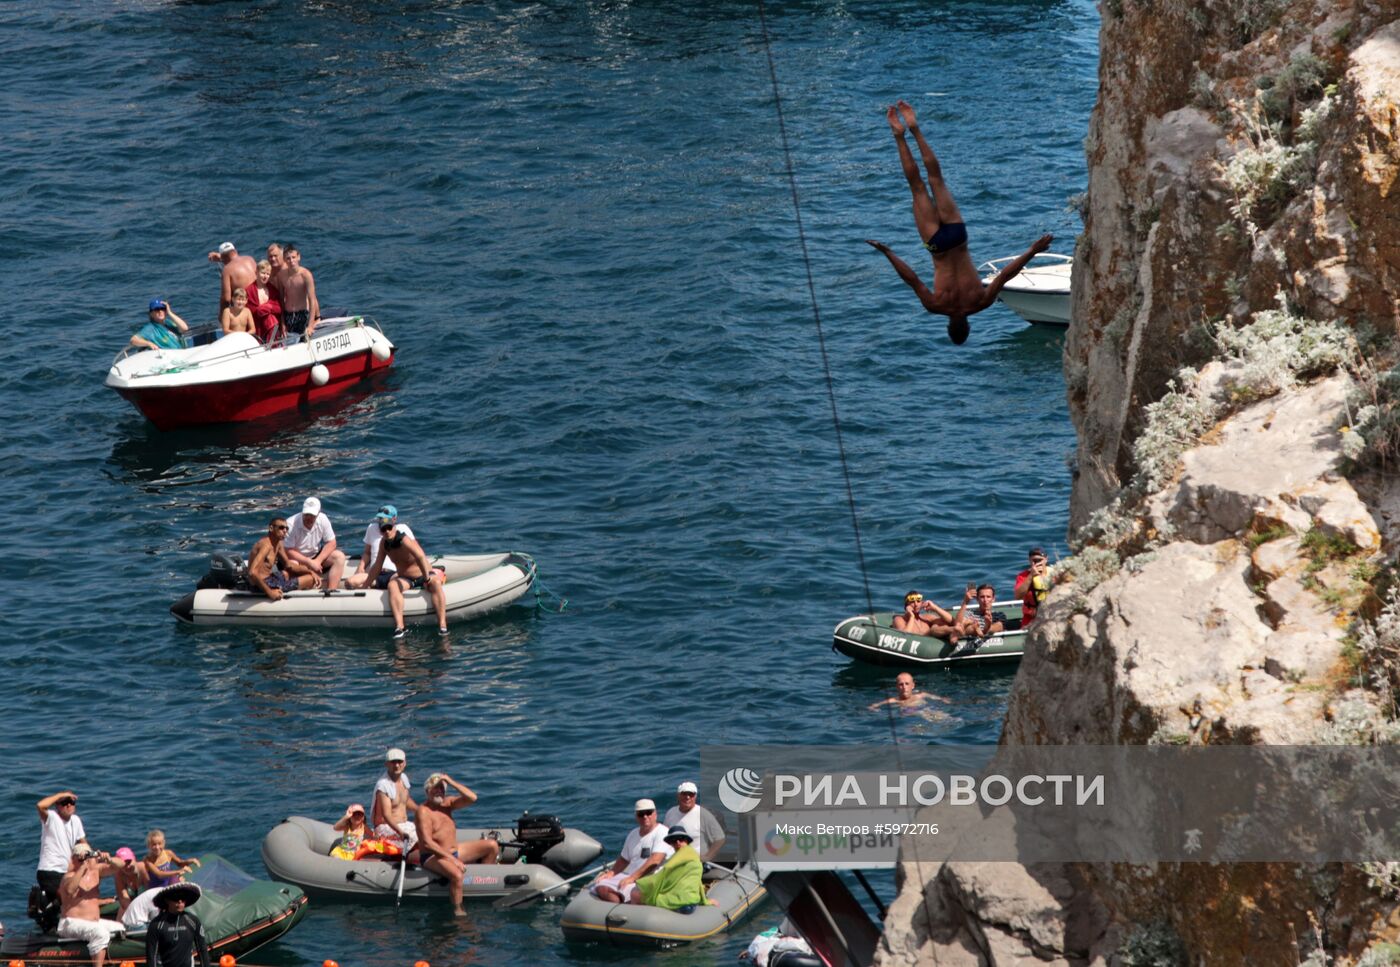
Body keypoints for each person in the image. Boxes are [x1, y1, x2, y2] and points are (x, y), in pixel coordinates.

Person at [866, 100, 1053, 345]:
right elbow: (910, 278)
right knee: (918, 188)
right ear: (949, 327)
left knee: (936, 180)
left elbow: (1006, 275)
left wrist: (1032, 251)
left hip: (958, 238)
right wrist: (887, 251)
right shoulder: (935, 306)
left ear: (967, 326)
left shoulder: (981, 303)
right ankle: (900, 135)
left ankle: (915, 129)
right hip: (937, 247)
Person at [415, 773, 501, 917]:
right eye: (435, 789)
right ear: (427, 792)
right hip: (432, 856)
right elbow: (427, 843)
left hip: (453, 852)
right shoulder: (423, 811)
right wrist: (453, 860)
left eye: (441, 789)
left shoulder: (448, 804)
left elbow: (472, 798)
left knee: (492, 846)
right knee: (457, 875)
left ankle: (483, 884)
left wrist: (450, 781)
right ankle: (458, 911)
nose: (438, 791)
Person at [362, 516, 448, 638]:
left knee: (435, 584)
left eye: (389, 528)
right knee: (392, 585)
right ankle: (400, 627)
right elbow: (377, 566)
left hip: (423, 574)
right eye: (383, 529)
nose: (386, 531)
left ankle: (443, 626)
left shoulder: (404, 540)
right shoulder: (384, 544)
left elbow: (420, 557)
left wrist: (427, 577)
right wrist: (365, 586)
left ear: (394, 527)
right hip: (406, 578)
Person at [589, 798, 673, 904]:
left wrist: (632, 878)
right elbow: (624, 859)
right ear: (636, 817)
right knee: (601, 886)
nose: (645, 816)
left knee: (629, 892)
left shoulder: (663, 832)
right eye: (641, 814)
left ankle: (622, 906)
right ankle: (620, 903)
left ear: (655, 814)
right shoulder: (633, 834)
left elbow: (655, 861)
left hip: (650, 878)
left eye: (648, 813)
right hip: (630, 875)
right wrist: (611, 873)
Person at [56, 844, 125, 967]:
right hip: (70, 923)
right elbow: (70, 890)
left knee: (120, 928)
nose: (87, 861)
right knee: (101, 933)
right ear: (74, 859)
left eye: (88, 857)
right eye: (82, 858)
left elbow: (120, 866)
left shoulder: (96, 872)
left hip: (93, 922)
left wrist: (109, 859)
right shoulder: (69, 877)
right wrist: (82, 867)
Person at [635, 828, 714, 909]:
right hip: (692, 900)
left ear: (686, 840)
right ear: (670, 843)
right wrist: (705, 900)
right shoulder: (693, 854)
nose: (678, 842)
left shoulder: (684, 853)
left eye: (681, 839)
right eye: (674, 840)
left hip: (679, 901)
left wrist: (640, 883)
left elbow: (666, 869)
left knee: (636, 894)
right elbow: (697, 881)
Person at [284, 497, 347, 591]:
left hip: (315, 556)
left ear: (318, 513)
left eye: (312, 515)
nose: (309, 518)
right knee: (293, 564)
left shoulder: (323, 519)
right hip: (297, 559)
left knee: (339, 556)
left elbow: (332, 542)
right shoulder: (290, 524)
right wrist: (309, 562)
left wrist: (318, 561)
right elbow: (288, 550)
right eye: (306, 514)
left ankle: (331, 590)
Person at [346, 505, 415, 590]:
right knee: (350, 582)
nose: (381, 521)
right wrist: (361, 567)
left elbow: (415, 553)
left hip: (394, 573)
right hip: (374, 574)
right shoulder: (372, 528)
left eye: (385, 518)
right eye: (380, 518)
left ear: (394, 519)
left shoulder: (402, 529)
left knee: (396, 583)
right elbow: (367, 552)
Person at [143, 882, 210, 967]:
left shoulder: (193, 921)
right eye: (176, 897)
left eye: (183, 898)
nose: (180, 901)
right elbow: (152, 955)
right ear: (167, 900)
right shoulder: (156, 924)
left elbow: (202, 949)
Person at [248, 517, 316, 600]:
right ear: (271, 528)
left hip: (270, 579)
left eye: (286, 528)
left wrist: (309, 571)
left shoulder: (278, 543)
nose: (285, 531)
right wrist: (271, 593)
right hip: (260, 585)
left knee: (288, 573)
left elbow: (288, 565)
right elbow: (252, 572)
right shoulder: (265, 545)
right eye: (281, 528)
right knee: (310, 579)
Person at [36, 791, 88, 897]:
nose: (68, 805)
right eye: (64, 803)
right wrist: (60, 795)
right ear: (57, 806)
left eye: (71, 802)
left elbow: (84, 843)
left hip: (65, 871)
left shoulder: (76, 820)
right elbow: (40, 805)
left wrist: (95, 856)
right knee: (69, 899)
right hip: (49, 870)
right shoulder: (52, 817)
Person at [662, 782, 726, 862]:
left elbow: (720, 839)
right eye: (684, 794)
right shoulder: (671, 813)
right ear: (678, 795)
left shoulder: (703, 814)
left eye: (691, 794)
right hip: (674, 859)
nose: (687, 797)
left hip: (696, 862)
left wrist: (707, 857)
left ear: (695, 796)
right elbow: (665, 836)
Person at [371, 747, 419, 852]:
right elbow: (386, 815)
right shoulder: (383, 785)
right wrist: (400, 832)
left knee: (430, 832)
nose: (397, 765)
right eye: (393, 762)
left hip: (404, 824)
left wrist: (420, 810)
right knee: (421, 839)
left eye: (399, 761)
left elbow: (405, 800)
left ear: (405, 763)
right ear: (386, 764)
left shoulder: (404, 778)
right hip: (385, 828)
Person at [279, 243, 320, 339]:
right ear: (285, 260)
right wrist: (283, 323)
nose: (291, 260)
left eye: (293, 257)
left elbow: (312, 300)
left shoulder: (306, 275)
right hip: (288, 315)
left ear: (299, 257)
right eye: (288, 258)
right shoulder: (281, 276)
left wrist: (310, 326)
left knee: (304, 340)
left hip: (303, 315)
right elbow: (281, 300)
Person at [208, 241, 257, 318]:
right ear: (235, 251)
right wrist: (222, 258)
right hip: (261, 301)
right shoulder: (250, 259)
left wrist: (221, 315)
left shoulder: (227, 270)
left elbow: (226, 299)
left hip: (249, 310)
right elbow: (233, 259)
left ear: (223, 257)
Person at [891, 590, 959, 637]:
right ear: (906, 605)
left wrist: (935, 608)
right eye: (912, 602)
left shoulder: (926, 618)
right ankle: (955, 629)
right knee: (933, 630)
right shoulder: (899, 619)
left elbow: (951, 621)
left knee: (939, 624)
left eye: (918, 601)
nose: (916, 604)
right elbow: (905, 636)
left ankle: (956, 629)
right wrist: (911, 616)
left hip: (933, 646)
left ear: (922, 603)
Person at [245, 260, 283, 343]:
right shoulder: (248, 291)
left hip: (273, 327)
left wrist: (267, 307)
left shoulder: (273, 290)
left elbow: (279, 308)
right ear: (256, 272)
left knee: (271, 319)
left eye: (268, 274)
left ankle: (273, 343)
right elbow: (246, 311)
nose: (265, 276)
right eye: (263, 273)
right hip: (256, 326)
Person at [868, 672, 948, 710]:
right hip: (909, 713)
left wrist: (943, 700)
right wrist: (873, 708)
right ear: (897, 687)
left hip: (924, 708)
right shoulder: (894, 700)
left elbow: (938, 698)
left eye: (907, 684)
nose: (904, 687)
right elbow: (875, 705)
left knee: (939, 714)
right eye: (901, 684)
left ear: (913, 685)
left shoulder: (921, 695)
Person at [1013, 548, 1052, 628]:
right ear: (1030, 561)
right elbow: (1017, 596)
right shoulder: (1023, 576)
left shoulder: (1055, 573)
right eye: (1034, 561)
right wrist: (1031, 576)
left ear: (1046, 560)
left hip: (1051, 616)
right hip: (1031, 619)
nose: (1037, 563)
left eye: (1039, 560)